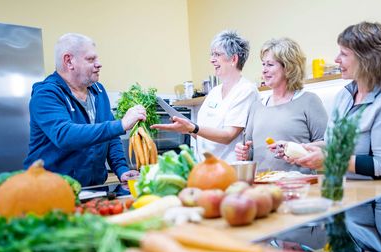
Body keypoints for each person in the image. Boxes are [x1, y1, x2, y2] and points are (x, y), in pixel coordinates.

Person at [288, 22, 381, 179]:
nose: (336, 59)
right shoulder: (344, 96)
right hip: (352, 191)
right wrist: (304, 150)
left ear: (367, 59)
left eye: (344, 54)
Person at [23, 33, 146, 187]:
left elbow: (111, 137)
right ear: (69, 61)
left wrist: (121, 169)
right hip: (48, 190)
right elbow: (65, 135)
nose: (99, 64)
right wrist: (121, 125)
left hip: (92, 189)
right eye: (91, 59)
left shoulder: (98, 91)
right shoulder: (46, 95)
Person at [151, 30, 259, 162]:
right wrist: (186, 129)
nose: (212, 60)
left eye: (217, 54)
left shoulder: (246, 90)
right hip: (205, 168)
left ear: (234, 59)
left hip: (229, 170)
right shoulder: (214, 92)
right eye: (212, 54)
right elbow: (202, 134)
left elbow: (228, 135)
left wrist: (192, 128)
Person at [234, 38, 327, 173]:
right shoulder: (256, 107)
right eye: (263, 64)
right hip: (263, 185)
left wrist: (295, 149)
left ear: (288, 67)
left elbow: (326, 146)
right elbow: (250, 151)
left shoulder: (309, 101)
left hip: (298, 185)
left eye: (270, 65)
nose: (264, 70)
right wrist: (244, 153)